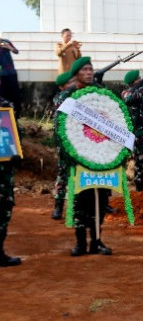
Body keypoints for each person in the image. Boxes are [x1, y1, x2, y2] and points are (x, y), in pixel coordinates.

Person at [56, 57, 113, 256]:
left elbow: (113, 117)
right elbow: (62, 127)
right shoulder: (69, 97)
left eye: (91, 69)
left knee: (100, 199)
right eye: (85, 70)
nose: (89, 72)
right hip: (79, 157)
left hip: (100, 156)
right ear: (76, 74)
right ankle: (80, 243)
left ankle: (97, 241)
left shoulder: (102, 94)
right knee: (80, 200)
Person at [0, 90, 20, 266]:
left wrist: (15, 150)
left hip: (4, 168)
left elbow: (13, 131)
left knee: (4, 208)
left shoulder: (6, 105)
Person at [51, 72, 74, 220]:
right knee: (63, 174)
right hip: (65, 143)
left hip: (78, 140)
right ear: (62, 86)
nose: (73, 83)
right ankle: (58, 207)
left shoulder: (77, 94)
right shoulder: (60, 97)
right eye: (69, 82)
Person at [0, 38, 21, 117]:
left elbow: (16, 51)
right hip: (1, 75)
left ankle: (17, 114)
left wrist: (9, 47)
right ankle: (5, 116)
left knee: (15, 94)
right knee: (3, 96)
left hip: (11, 72)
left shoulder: (6, 42)